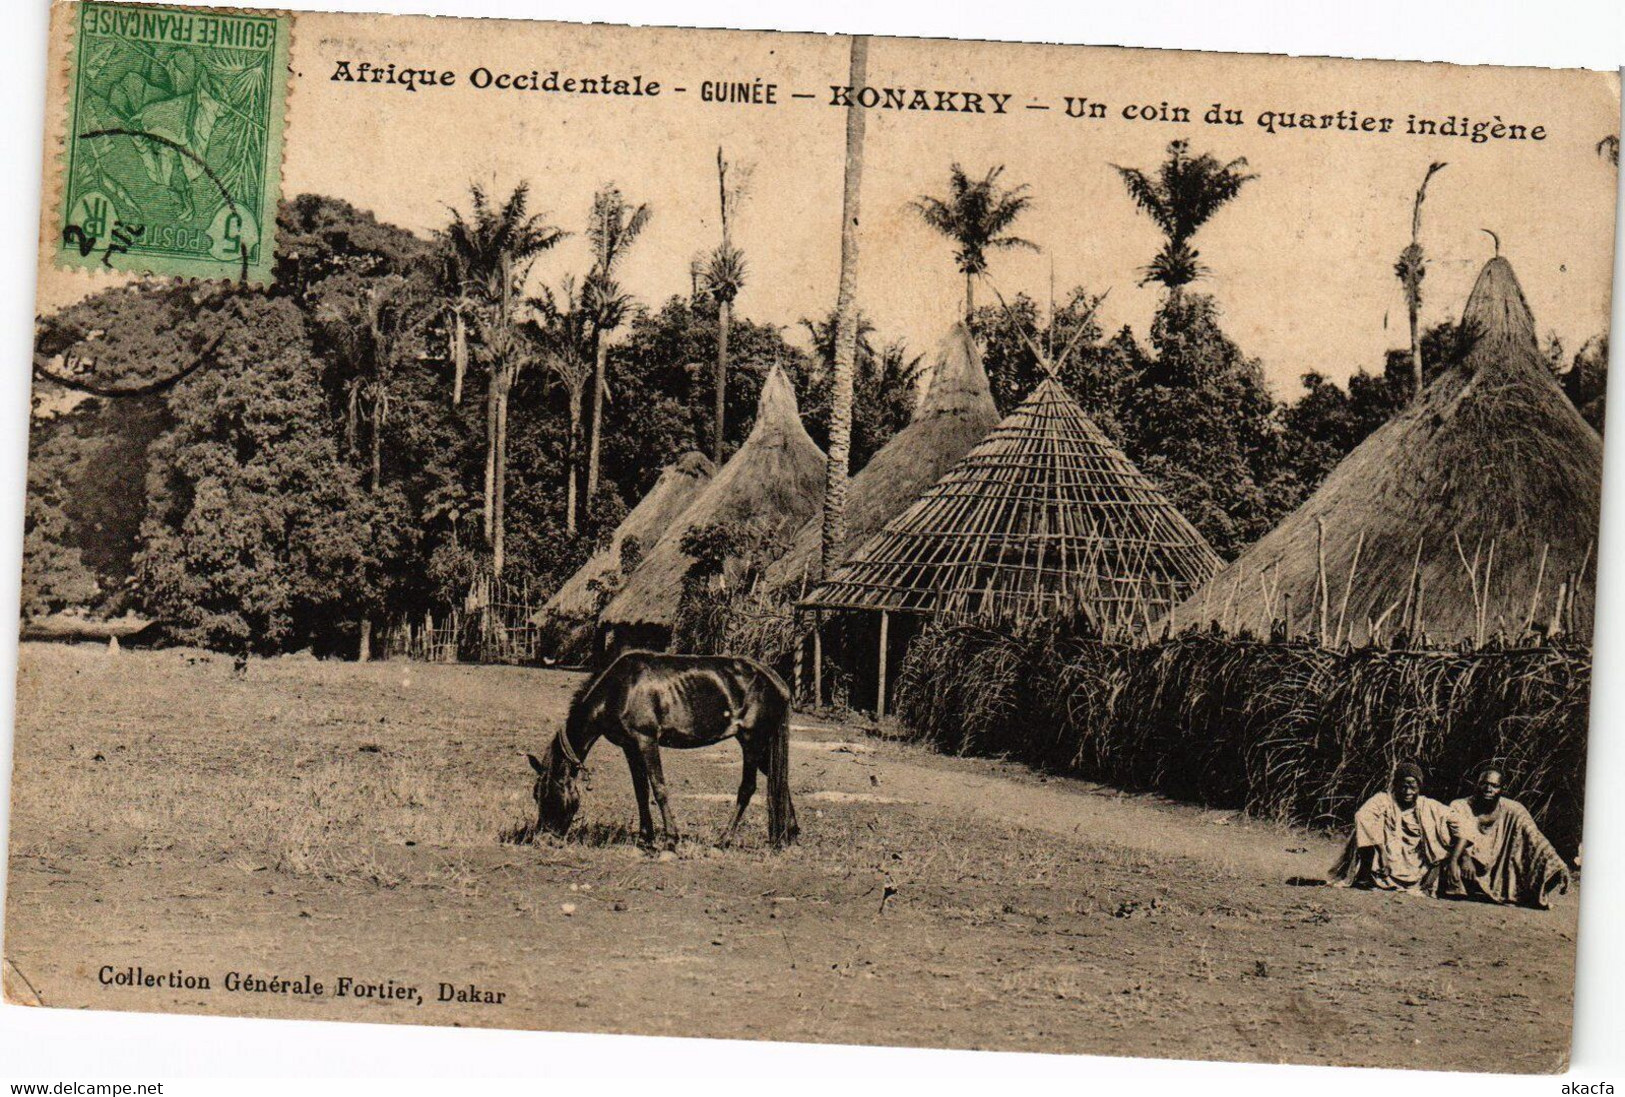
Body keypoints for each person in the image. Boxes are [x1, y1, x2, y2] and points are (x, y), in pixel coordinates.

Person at [1443, 767, 1570, 909]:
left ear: (1502, 789)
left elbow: (1535, 837)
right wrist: (1465, 858)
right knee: (1450, 873)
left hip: (1498, 869)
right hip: (1467, 864)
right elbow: (1454, 836)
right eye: (1484, 784)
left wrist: (1558, 865)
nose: (1488, 789)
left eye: (1494, 786)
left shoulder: (1513, 809)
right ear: (1476, 784)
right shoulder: (1460, 806)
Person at [1330, 762, 1459, 894]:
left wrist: (1456, 859)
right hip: (1382, 859)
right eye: (1403, 787)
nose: (1408, 792)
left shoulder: (1428, 805)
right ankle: (1365, 876)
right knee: (1369, 822)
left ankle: (1426, 884)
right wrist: (1382, 852)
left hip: (1416, 862)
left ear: (1419, 787)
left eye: (1412, 787)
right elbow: (1362, 816)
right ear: (1395, 785)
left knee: (1441, 825)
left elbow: (1461, 823)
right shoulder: (1383, 800)